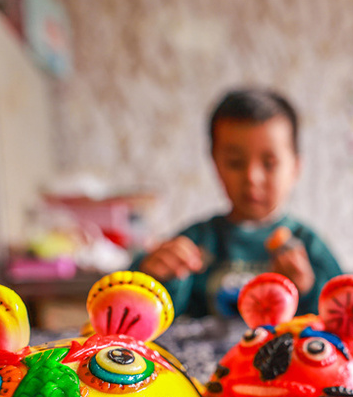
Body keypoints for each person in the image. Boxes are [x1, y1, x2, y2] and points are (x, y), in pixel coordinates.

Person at [134, 88, 342, 318]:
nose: (252, 177)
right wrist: (154, 276)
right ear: (215, 164)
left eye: (269, 163)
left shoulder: (307, 244)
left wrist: (307, 289)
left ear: (295, 168)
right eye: (235, 163)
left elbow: (342, 316)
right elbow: (152, 313)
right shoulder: (198, 241)